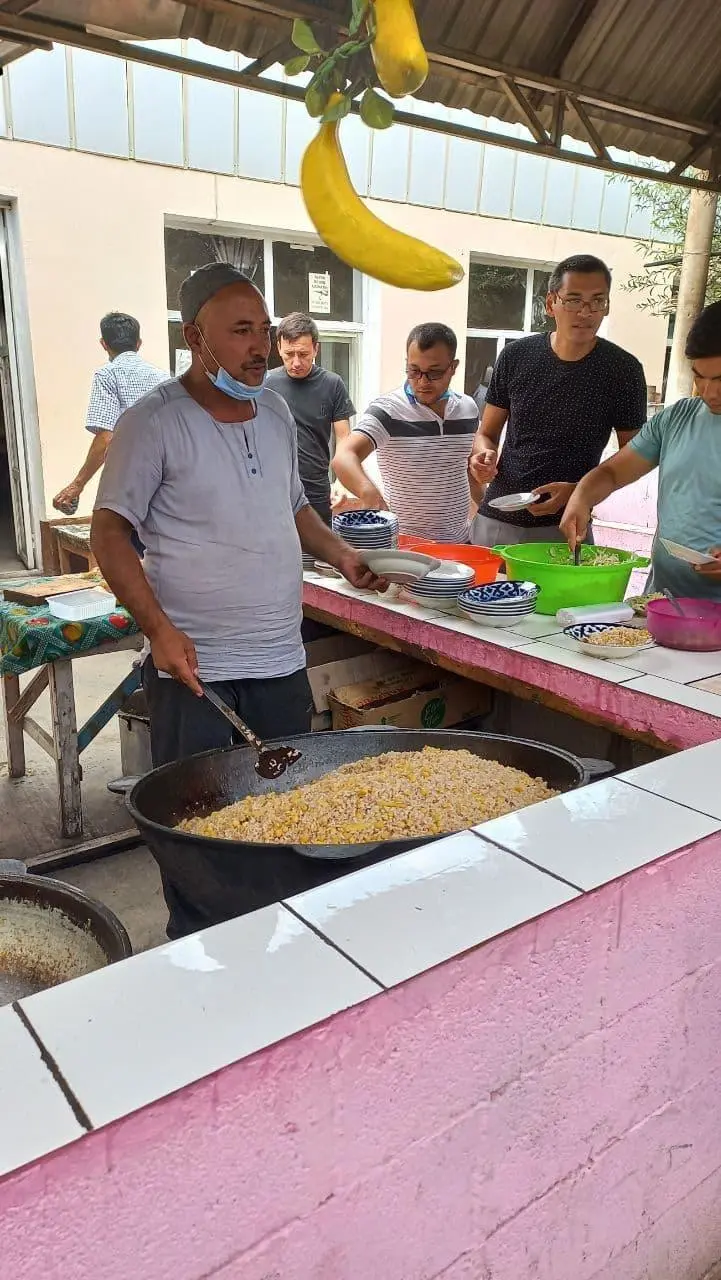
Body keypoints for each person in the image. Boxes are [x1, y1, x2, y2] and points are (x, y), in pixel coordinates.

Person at [91, 263, 384, 938]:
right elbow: (109, 533)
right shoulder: (152, 421)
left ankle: (274, 935)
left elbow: (295, 508)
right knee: (196, 827)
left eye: (264, 330)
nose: (260, 347)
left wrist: (342, 555)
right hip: (195, 670)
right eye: (241, 331)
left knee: (286, 815)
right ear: (195, 337)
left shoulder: (275, 411)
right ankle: (197, 947)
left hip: (279, 659)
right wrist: (158, 630)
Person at [468, 254, 648, 546]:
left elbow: (636, 456)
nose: (586, 312)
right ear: (551, 303)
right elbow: (486, 433)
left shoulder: (623, 370)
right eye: (574, 300)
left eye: (597, 301)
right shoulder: (516, 356)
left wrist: (580, 491)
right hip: (499, 516)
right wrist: (483, 456)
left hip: (567, 525)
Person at [560, 300, 721, 599]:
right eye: (700, 377)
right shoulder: (677, 418)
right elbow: (612, 472)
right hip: (663, 603)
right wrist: (582, 496)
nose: (709, 392)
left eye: (720, 379)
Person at [333, 322, 480, 542]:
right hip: (406, 546)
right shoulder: (388, 410)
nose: (422, 381)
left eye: (434, 373)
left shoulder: (468, 409)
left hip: (459, 542)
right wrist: (368, 491)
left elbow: (467, 468)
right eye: (414, 371)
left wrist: (486, 507)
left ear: (453, 367)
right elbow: (343, 456)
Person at [53, 312, 168, 516]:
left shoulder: (107, 375)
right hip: (167, 478)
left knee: (116, 532)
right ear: (139, 343)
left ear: (104, 344)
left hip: (130, 482)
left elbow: (106, 437)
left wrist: (77, 484)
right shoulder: (163, 378)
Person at [265, 312, 355, 526]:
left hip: (317, 490)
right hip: (274, 490)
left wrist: (341, 481)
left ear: (316, 349)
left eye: (304, 354)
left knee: (319, 546)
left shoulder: (332, 384)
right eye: (289, 354)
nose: (296, 362)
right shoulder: (265, 384)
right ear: (278, 348)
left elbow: (344, 438)